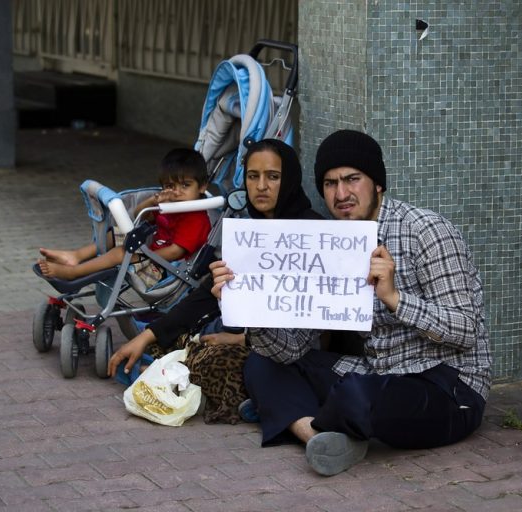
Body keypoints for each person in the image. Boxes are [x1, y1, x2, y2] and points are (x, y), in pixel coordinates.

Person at [210, 129, 492, 476]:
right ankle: (314, 433)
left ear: (377, 184)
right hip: (377, 372)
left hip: (448, 386)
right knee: (262, 362)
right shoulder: (333, 244)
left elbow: (465, 331)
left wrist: (394, 299)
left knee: (357, 396)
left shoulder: (426, 231)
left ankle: (293, 413)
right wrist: (249, 304)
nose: (341, 194)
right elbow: (292, 348)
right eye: (330, 183)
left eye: (352, 179)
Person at [107, 138, 323, 423]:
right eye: (252, 176)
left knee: (223, 363)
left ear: (291, 179)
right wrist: (146, 336)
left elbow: (309, 326)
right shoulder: (247, 230)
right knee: (169, 342)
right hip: (246, 335)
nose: (260, 186)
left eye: (273, 177)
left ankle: (251, 399)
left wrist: (242, 340)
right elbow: (204, 293)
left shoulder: (315, 233)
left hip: (288, 349)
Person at [37, 148, 212, 287]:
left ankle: (73, 273)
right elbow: (139, 215)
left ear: (202, 187)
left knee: (122, 253)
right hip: (155, 257)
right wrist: (153, 201)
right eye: (170, 186)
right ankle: (76, 255)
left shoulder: (196, 218)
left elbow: (176, 251)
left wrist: (143, 254)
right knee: (117, 233)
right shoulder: (171, 206)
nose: (177, 192)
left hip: (167, 271)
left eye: (185, 185)